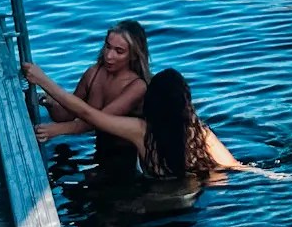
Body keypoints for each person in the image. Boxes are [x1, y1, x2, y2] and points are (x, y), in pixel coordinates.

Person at [21, 61, 244, 175]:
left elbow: (89, 115)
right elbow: (235, 167)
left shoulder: (141, 130)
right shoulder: (200, 132)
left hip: (155, 202)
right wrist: (272, 177)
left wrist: (43, 80)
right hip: (192, 197)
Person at [35, 21, 153, 146]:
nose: (109, 56)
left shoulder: (138, 86)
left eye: (119, 51)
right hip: (99, 147)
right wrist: (49, 102)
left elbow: (97, 120)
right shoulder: (93, 73)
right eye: (108, 47)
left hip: (130, 154)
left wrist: (56, 130)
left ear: (134, 55)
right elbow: (66, 115)